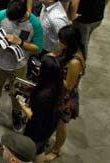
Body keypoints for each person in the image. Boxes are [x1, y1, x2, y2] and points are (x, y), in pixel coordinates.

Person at [0, 0, 44, 131]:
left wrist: (21, 43)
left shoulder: (34, 24)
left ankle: (16, 113)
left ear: (22, 15)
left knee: (17, 92)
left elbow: (38, 48)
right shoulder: (1, 15)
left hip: (19, 65)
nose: (9, 20)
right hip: (0, 62)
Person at [42, 25, 85, 162]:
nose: (59, 42)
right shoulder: (67, 51)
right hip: (55, 91)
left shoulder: (75, 62)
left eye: (61, 40)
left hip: (65, 97)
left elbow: (69, 85)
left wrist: (53, 72)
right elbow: (55, 55)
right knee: (51, 119)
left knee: (60, 125)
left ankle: (56, 150)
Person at [17, 55, 62, 160]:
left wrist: (23, 106)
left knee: (32, 150)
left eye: (41, 66)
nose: (38, 67)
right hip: (49, 124)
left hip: (37, 130)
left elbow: (35, 118)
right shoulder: (57, 85)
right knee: (40, 149)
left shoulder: (43, 97)